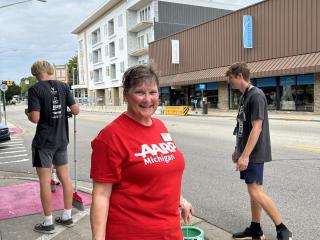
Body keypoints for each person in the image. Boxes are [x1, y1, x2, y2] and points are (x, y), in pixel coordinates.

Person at [90, 65, 193, 240]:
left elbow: (161, 173)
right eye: (140, 92)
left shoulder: (160, 126)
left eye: (153, 92)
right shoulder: (110, 137)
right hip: (133, 233)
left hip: (170, 231)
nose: (147, 99)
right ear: (125, 95)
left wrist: (181, 200)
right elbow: (100, 196)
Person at [225, 62, 292, 240]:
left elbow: (256, 128)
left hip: (253, 153)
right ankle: (255, 228)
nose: (230, 83)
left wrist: (245, 155)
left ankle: (282, 229)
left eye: (231, 79)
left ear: (239, 75)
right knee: (253, 191)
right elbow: (242, 125)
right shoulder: (244, 96)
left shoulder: (256, 95)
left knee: (255, 191)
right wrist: (237, 149)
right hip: (247, 150)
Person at [26, 60, 80, 234]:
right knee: (65, 178)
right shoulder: (64, 86)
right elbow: (76, 110)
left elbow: (35, 118)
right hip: (61, 139)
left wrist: (28, 112)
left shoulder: (35, 90)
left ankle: (48, 222)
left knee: (44, 180)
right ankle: (67, 216)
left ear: (35, 73)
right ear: (49, 70)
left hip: (44, 143)